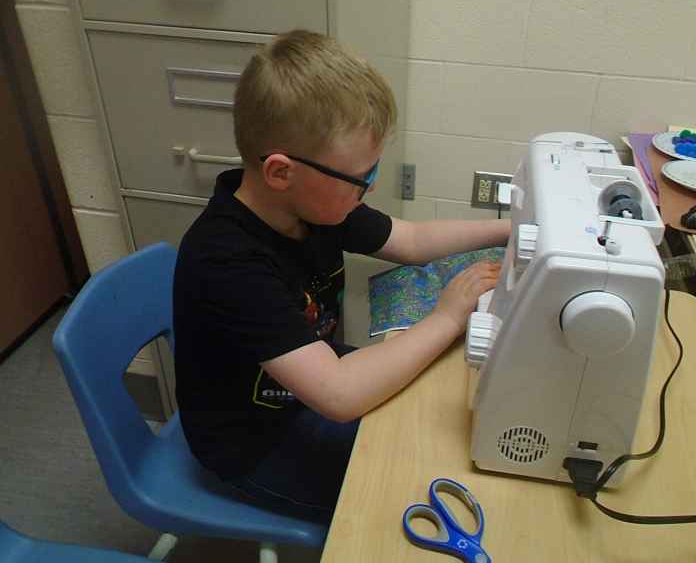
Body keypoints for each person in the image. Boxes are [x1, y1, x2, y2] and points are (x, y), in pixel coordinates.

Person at [173, 29, 510, 523]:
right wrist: (446, 317)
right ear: (281, 172)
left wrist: (511, 228)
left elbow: (412, 241)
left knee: (438, 412)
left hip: (306, 384)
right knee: (414, 487)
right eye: (362, 178)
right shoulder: (226, 260)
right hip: (255, 444)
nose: (368, 189)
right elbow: (340, 395)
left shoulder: (317, 205)